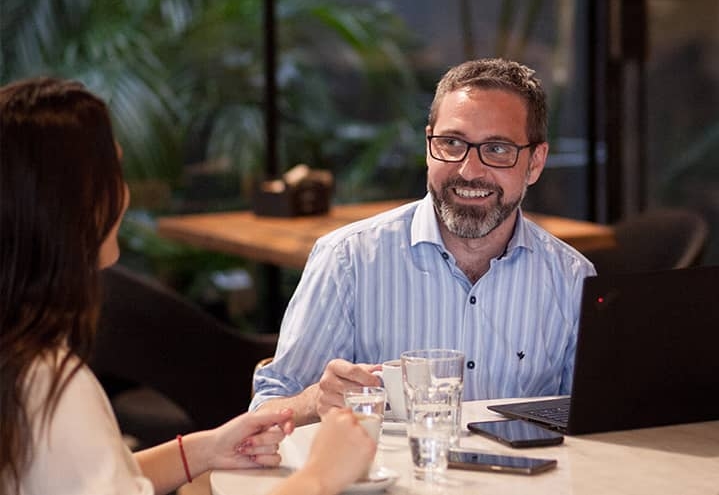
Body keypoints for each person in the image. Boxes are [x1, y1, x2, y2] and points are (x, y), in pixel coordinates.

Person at [0, 78, 375, 495]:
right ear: (74, 201)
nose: (124, 196)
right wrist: (323, 474)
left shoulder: (20, 361)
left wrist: (205, 449)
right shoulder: (48, 384)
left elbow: (85, 476)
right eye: (115, 174)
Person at [251, 58, 596, 423]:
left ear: (536, 162)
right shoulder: (348, 261)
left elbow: (596, 423)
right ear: (428, 143)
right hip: (389, 480)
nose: (469, 170)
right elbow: (264, 413)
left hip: (529, 480)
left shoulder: (572, 278)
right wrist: (315, 400)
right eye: (451, 143)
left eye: (497, 149)